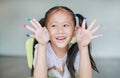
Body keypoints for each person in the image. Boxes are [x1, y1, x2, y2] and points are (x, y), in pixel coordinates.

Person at [24, 6, 102, 78]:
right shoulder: (41, 48)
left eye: (65, 25)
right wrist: (42, 45)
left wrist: (83, 47)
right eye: (54, 26)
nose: (60, 31)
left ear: (74, 31)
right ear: (46, 30)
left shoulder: (76, 50)